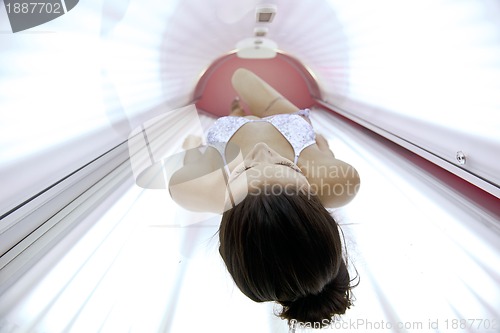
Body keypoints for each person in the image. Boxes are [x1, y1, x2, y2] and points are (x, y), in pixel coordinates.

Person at [168, 68, 360, 327]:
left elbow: (192, 153)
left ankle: (235, 115)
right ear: (317, 204)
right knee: (239, 77)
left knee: (236, 78)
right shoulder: (338, 180)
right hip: (287, 123)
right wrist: (314, 143)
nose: (261, 151)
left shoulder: (192, 188)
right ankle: (238, 116)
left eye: (245, 171)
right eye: (286, 167)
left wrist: (191, 146)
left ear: (227, 208)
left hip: (229, 131)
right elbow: (323, 144)